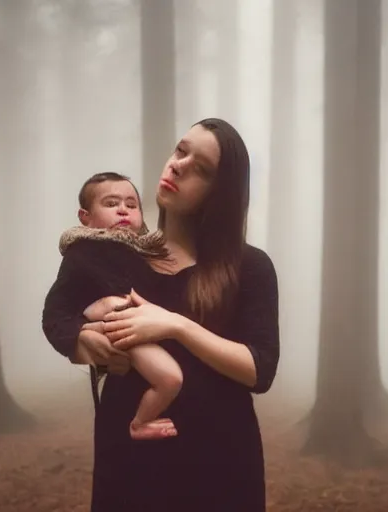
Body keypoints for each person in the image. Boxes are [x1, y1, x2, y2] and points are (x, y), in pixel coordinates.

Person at [42, 118, 280, 511]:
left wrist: (176, 325)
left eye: (200, 168)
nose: (178, 165)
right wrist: (86, 341)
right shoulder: (117, 259)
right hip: (129, 466)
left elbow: (261, 369)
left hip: (219, 470)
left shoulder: (248, 267)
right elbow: (61, 317)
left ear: (219, 194)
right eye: (180, 150)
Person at [53, 172, 184, 440]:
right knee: (170, 379)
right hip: (121, 331)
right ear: (85, 217)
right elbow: (55, 313)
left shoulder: (148, 252)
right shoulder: (82, 253)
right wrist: (81, 332)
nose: (123, 210)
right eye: (111, 204)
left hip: (146, 327)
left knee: (170, 378)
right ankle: (140, 423)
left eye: (131, 205)